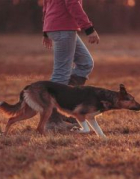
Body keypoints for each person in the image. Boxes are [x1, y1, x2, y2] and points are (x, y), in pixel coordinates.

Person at [42, 0, 100, 129]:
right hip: (63, 28)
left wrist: (46, 30)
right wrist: (89, 28)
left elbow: (47, 5)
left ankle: (66, 105)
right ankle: (52, 120)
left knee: (85, 63)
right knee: (61, 73)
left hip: (58, 27)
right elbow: (73, 4)